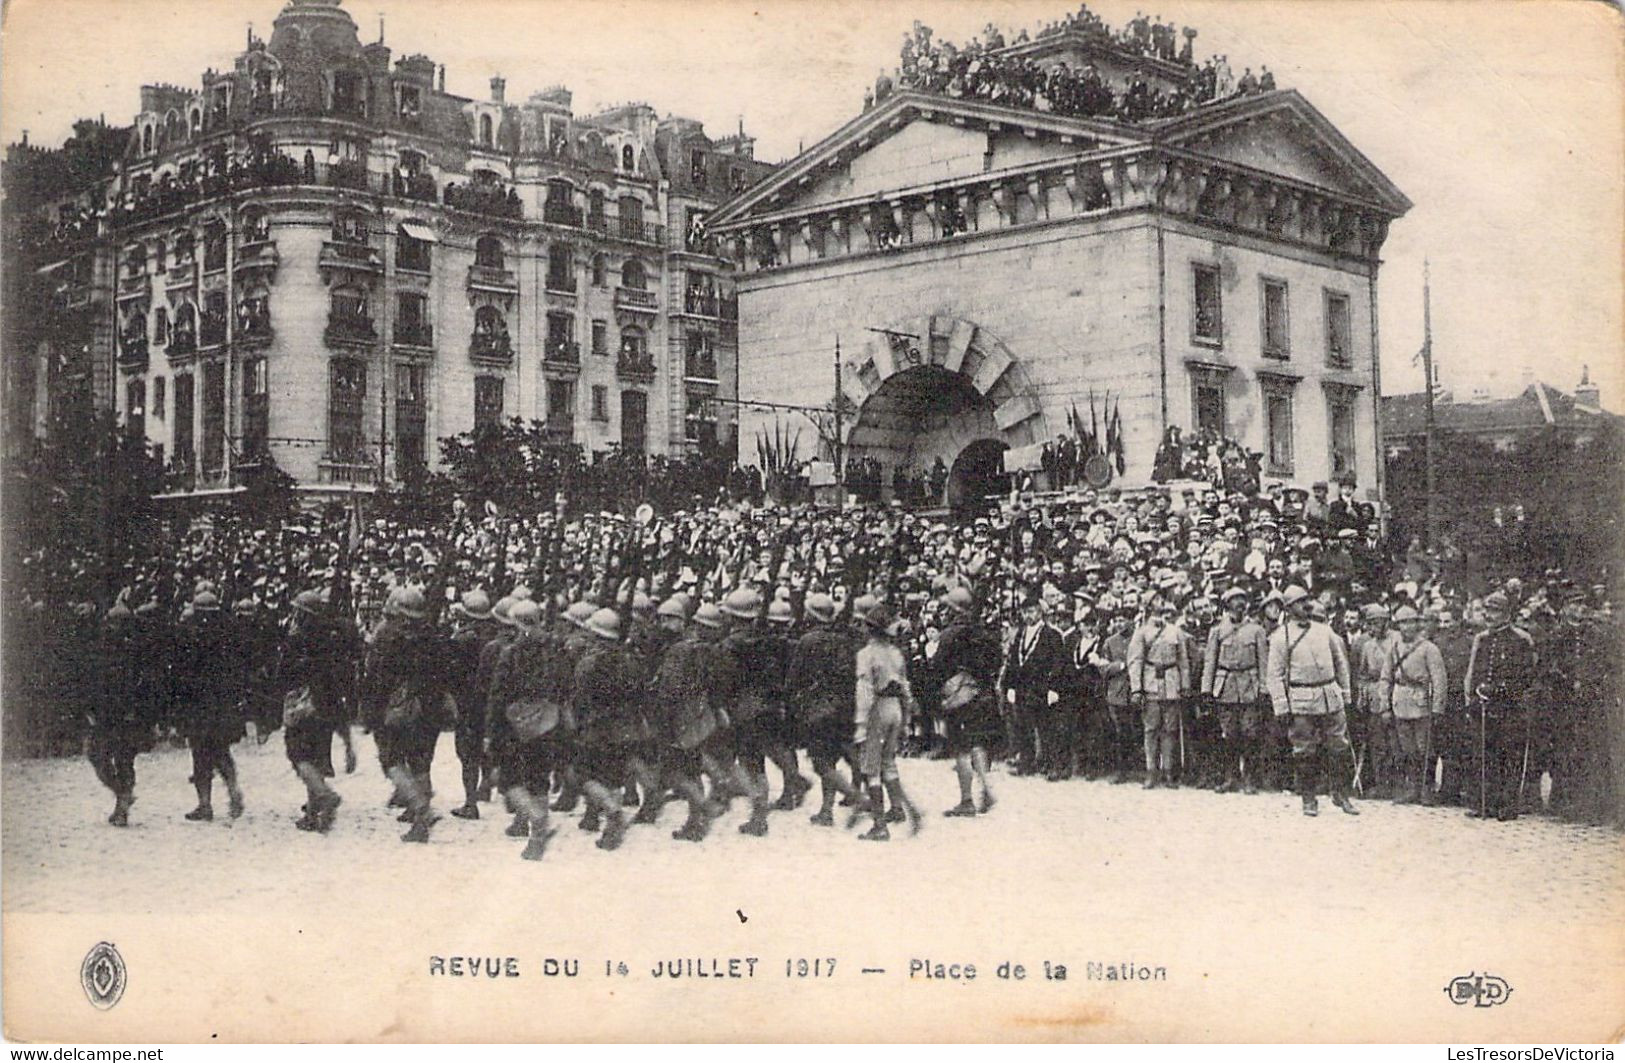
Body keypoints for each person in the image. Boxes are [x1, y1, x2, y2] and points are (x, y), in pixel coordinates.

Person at [362, 586, 452, 843]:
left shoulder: (389, 639)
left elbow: (377, 678)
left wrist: (372, 711)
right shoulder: (434, 637)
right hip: (429, 709)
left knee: (391, 761)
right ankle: (420, 822)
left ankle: (420, 806)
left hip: (398, 709)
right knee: (420, 763)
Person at [1267, 585, 1357, 816]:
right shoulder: (1280, 637)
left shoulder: (1325, 631)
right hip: (1301, 699)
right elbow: (1274, 675)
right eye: (1299, 602)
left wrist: (1345, 694)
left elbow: (1341, 665)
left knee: (1339, 746)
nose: (1305, 605)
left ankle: (1341, 794)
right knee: (1304, 750)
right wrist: (1281, 706)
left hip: (1330, 695)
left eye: (1307, 600)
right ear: (1288, 608)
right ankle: (1309, 798)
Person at [280, 589, 357, 832]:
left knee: (299, 756)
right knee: (317, 758)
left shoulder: (296, 639)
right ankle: (313, 815)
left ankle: (324, 795)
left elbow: (283, 673)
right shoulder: (331, 637)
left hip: (303, 703)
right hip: (327, 703)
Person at [786, 592, 864, 826]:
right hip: (845, 705)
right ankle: (827, 809)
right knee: (842, 756)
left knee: (823, 762)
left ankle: (848, 802)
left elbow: (794, 678)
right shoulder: (845, 639)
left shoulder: (808, 641)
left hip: (818, 708)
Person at [1462, 591, 1537, 820]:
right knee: (1486, 755)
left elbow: (1527, 675)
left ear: (1506, 614)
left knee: (1510, 757)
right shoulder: (1481, 638)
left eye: (1493, 611)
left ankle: (1508, 805)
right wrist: (1473, 695)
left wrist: (1502, 691)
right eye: (1486, 610)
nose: (1488, 615)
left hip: (1510, 707)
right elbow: (1473, 671)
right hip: (1484, 705)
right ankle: (1487, 802)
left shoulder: (1522, 639)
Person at [852, 601, 922, 841]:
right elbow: (905, 687)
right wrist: (907, 717)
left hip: (877, 709)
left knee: (871, 767)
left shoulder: (866, 654)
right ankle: (898, 809)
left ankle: (879, 825)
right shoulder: (896, 653)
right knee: (889, 762)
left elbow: (865, 691)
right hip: (895, 709)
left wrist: (860, 724)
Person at [176, 590, 246, 821]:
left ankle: (205, 804)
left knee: (199, 754)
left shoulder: (190, 637)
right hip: (222, 705)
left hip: (198, 705)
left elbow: (183, 675)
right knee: (221, 751)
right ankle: (233, 788)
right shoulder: (229, 636)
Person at [934, 586, 1000, 815]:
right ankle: (986, 784)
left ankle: (966, 800)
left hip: (959, 696)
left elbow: (938, 666)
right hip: (983, 693)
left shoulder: (950, 634)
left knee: (960, 747)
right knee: (977, 742)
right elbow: (996, 659)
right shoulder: (984, 632)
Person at [1202, 586, 1269, 793]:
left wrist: (1264, 688)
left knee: (1250, 734)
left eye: (1242, 600)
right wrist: (1206, 689)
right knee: (1228, 734)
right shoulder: (1217, 631)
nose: (1239, 604)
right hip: (1226, 686)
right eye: (1234, 600)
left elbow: (1263, 662)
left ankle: (1249, 778)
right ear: (1227, 604)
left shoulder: (1257, 630)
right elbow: (1210, 662)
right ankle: (1231, 777)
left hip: (1249, 686)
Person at [1385, 605, 1447, 804]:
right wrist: (1385, 705)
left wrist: (1438, 707)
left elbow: (1439, 680)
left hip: (1422, 703)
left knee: (1425, 749)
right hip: (1400, 702)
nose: (1406, 628)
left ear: (1418, 624)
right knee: (1407, 749)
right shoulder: (1394, 649)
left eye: (1410, 622)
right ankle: (1411, 787)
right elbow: (1385, 678)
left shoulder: (1429, 649)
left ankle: (1426, 788)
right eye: (1402, 623)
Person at [446, 590, 498, 819]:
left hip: (468, 701)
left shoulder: (462, 638)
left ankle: (470, 802)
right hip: (492, 700)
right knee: (486, 746)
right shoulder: (497, 637)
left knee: (467, 753)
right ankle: (486, 785)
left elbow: (451, 672)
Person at [1128, 596, 1189, 788]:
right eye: (1154, 606)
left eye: (1161, 607)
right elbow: (1135, 661)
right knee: (1151, 730)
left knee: (1170, 730)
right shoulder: (1141, 633)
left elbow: (1183, 662)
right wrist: (1137, 688)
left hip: (1172, 685)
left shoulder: (1175, 632)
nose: (1159, 611)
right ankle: (1151, 772)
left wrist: (1185, 685)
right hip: (1151, 684)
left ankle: (1169, 772)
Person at [1003, 592, 1063, 776]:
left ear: (1040, 612)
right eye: (1025, 612)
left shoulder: (1051, 634)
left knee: (1046, 728)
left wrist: (1053, 688)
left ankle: (1052, 764)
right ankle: (1027, 763)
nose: (1028, 616)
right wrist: (1011, 685)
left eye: (1032, 611)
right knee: (1022, 726)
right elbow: (1013, 661)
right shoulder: (1020, 634)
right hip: (1022, 687)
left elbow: (1058, 663)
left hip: (1042, 687)